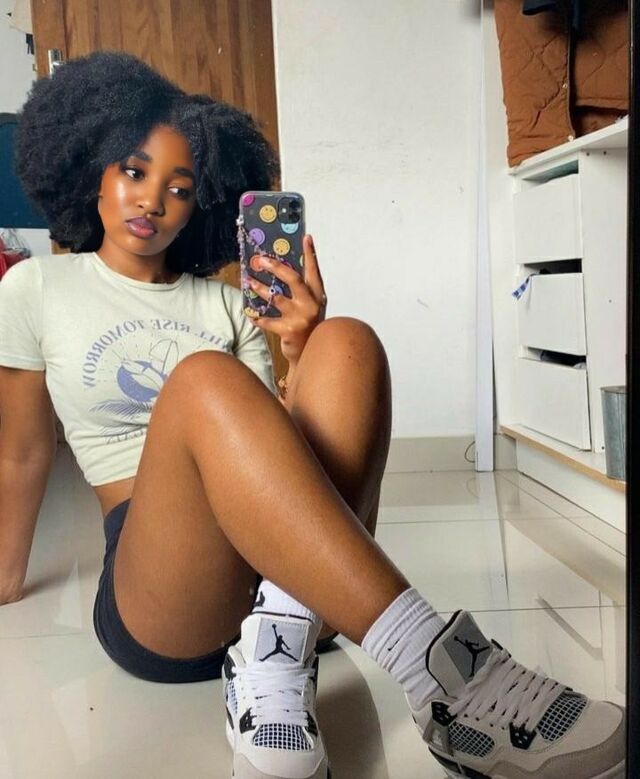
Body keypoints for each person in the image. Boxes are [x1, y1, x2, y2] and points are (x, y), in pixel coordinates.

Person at [0, 51, 624, 779]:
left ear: (202, 203)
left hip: (285, 585)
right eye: (134, 172)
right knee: (204, 379)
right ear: (93, 169)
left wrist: (299, 346)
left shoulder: (226, 304)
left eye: (180, 188)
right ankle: (446, 672)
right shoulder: (37, 287)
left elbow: (280, 451)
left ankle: (275, 660)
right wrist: (7, 574)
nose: (152, 201)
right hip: (162, 593)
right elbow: (21, 452)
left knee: (346, 341)